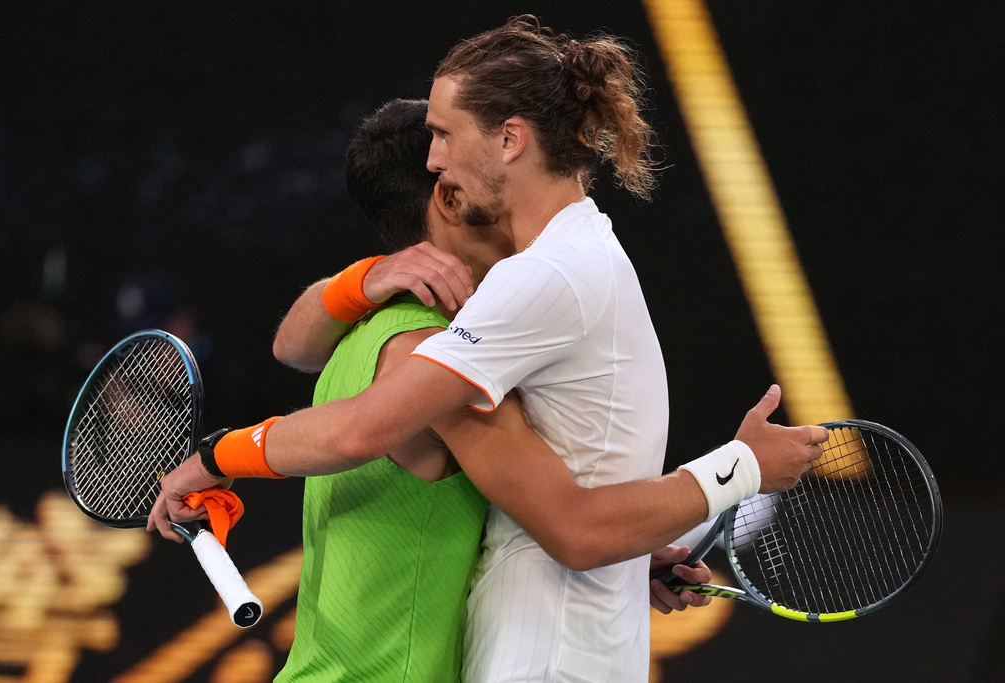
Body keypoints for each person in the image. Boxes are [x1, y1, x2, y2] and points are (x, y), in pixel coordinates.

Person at [150, 16, 827, 682]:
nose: (436, 154)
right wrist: (738, 468)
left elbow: (305, 359)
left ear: (509, 139)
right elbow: (568, 523)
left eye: (445, 134)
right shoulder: (512, 293)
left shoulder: (507, 289)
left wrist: (638, 546)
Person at [272, 98, 713, 682]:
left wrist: (631, 560)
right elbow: (578, 528)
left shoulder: (362, 329)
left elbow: (289, 347)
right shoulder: (432, 360)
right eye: (492, 183)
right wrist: (746, 466)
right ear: (449, 195)